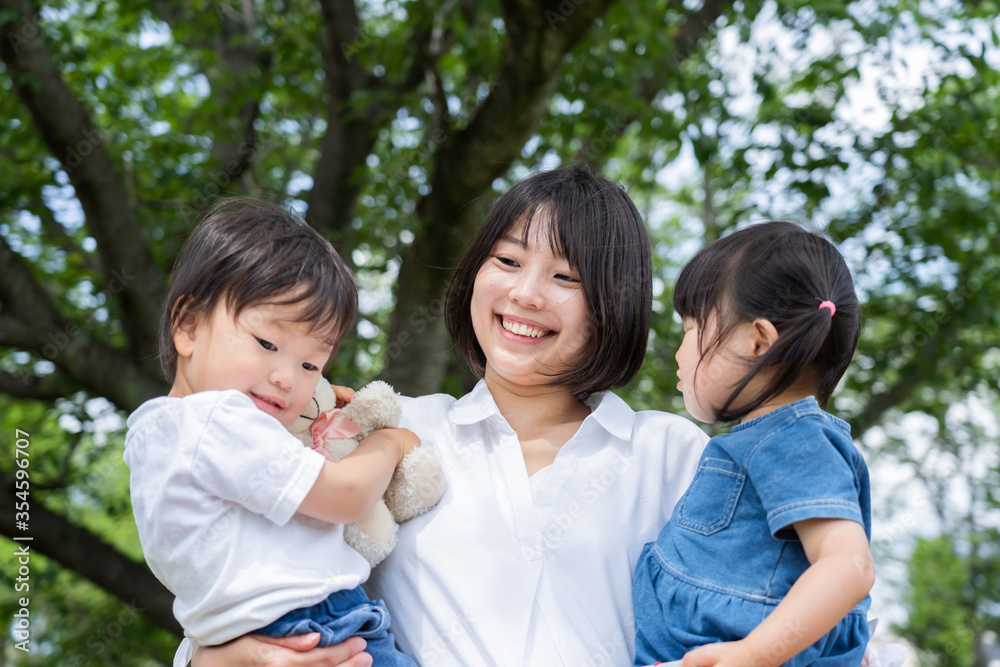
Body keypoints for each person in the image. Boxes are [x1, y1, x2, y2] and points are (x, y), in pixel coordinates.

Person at [185, 166, 710, 666]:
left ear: (614, 301)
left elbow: (751, 621)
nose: (524, 293)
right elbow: (244, 569)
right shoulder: (389, 434)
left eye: (566, 276)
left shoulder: (672, 456)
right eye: (507, 261)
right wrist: (207, 658)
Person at [124, 198, 420, 666]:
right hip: (318, 626)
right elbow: (345, 496)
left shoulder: (158, 435)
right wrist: (390, 442)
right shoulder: (215, 420)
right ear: (188, 326)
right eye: (267, 343)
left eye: (310, 364)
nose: (287, 378)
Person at [631, 222, 875, 667]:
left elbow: (849, 566)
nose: (680, 353)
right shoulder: (763, 438)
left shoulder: (796, 437)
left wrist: (754, 655)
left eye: (691, 328)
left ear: (757, 340)